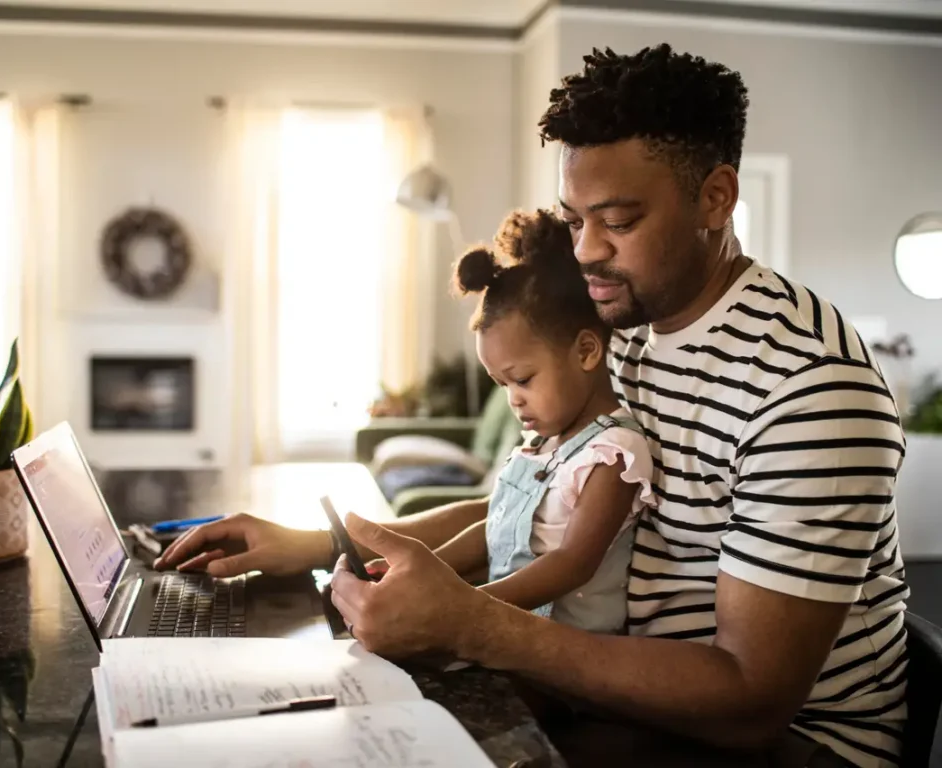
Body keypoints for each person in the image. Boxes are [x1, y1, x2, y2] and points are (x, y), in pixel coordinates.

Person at [156, 44, 908, 768]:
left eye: (618, 222)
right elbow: (540, 503)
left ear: (716, 197)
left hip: (781, 747)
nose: (584, 251)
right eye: (576, 220)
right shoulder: (629, 331)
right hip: (617, 694)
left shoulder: (809, 385)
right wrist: (328, 547)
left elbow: (749, 702)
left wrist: (475, 624)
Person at [384, 209, 656, 632]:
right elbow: (492, 528)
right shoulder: (542, 446)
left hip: (566, 655)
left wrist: (459, 607)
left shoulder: (614, 453)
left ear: (586, 351)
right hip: (505, 633)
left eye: (523, 380)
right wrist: (411, 573)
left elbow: (572, 565)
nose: (514, 400)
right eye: (502, 385)